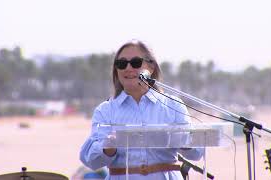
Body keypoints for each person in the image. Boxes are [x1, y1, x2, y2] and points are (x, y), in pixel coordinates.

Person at [80, 40, 204, 180]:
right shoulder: (105, 111)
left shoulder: (174, 106)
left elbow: (197, 153)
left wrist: (184, 140)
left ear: (150, 67)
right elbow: (91, 160)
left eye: (135, 62)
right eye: (121, 64)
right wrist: (107, 148)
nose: (128, 68)